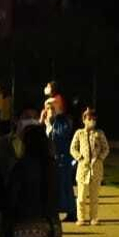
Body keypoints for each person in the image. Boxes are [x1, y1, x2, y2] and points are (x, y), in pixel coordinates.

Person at [69, 106, 111, 226]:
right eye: (88, 118)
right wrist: (80, 158)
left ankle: (94, 217)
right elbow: (72, 148)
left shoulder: (99, 133)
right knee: (81, 197)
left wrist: (99, 158)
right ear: (83, 119)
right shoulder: (79, 133)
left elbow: (106, 148)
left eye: (93, 118)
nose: (91, 120)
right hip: (83, 169)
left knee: (94, 198)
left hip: (96, 169)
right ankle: (81, 218)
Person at [42, 86, 77, 223]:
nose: (48, 111)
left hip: (62, 159)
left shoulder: (62, 122)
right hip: (52, 159)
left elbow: (60, 137)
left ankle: (71, 211)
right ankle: (54, 211)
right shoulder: (47, 122)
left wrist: (50, 127)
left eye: (51, 108)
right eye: (47, 108)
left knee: (65, 186)